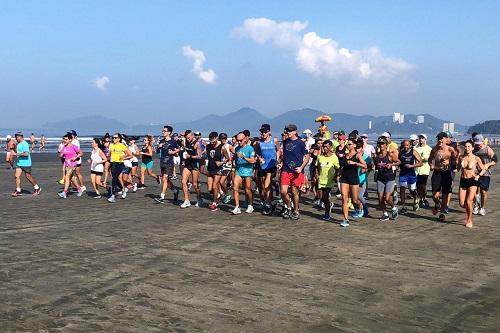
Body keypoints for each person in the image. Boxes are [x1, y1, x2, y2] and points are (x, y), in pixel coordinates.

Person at [278, 124, 310, 220]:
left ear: (295, 132)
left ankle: (296, 210)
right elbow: (284, 155)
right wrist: (280, 163)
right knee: (283, 191)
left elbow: (307, 156)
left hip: (297, 171)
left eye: (290, 131)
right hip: (285, 170)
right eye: (287, 131)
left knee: (294, 192)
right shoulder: (285, 142)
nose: (288, 132)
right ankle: (288, 207)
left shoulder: (300, 142)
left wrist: (301, 167)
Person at [428, 132, 458, 222]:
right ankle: (437, 204)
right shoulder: (434, 149)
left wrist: (449, 162)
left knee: (445, 194)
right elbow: (429, 160)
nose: (440, 140)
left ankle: (442, 213)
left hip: (446, 173)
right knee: (435, 195)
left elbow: (455, 161)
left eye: (442, 138)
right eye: (438, 138)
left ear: (446, 139)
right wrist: (431, 165)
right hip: (437, 173)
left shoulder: (450, 149)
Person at [338, 138, 367, 227]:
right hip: (344, 178)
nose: (348, 145)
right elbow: (341, 166)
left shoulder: (357, 155)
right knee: (344, 198)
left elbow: (365, 165)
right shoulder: (345, 155)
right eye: (347, 144)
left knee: (354, 199)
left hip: (353, 178)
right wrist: (338, 174)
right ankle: (345, 219)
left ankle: (360, 206)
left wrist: (355, 163)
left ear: (354, 145)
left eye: (350, 144)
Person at [458, 140, 485, 228]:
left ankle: (469, 220)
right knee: (462, 203)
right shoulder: (461, 157)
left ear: (473, 148)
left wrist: (478, 175)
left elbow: (483, 169)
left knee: (468, 201)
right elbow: (458, 167)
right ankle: (473, 203)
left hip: (472, 181)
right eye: (465, 146)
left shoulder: (476, 158)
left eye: (469, 146)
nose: (467, 148)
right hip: (463, 180)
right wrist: (454, 168)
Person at [374, 137, 400, 221]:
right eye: (380, 144)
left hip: (389, 178)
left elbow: (399, 162)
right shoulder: (377, 155)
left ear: (386, 145)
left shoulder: (390, 154)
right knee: (380, 198)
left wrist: (391, 165)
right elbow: (375, 165)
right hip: (380, 178)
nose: (381, 145)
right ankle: (385, 214)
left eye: (383, 144)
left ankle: (394, 207)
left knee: (387, 197)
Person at [472, 134, 497, 216]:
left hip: (485, 174)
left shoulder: (487, 149)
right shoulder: (474, 149)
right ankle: (476, 205)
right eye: (476, 143)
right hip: (475, 173)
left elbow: (495, 160)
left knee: (483, 192)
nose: (478, 145)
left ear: (483, 141)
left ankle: (482, 208)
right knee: (475, 192)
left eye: (479, 143)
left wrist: (488, 164)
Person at [231, 132, 256, 214]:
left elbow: (252, 161)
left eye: (240, 140)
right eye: (237, 140)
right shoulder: (237, 148)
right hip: (238, 171)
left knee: (247, 189)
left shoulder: (250, 148)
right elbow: (235, 159)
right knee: (235, 187)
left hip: (248, 171)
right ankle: (237, 206)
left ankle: (250, 205)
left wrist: (244, 157)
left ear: (245, 139)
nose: (238, 142)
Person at [257, 124, 279, 215]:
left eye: (265, 132)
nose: (263, 133)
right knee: (265, 187)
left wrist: (277, 159)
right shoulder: (259, 142)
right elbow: (257, 153)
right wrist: (259, 158)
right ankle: (272, 202)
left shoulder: (274, 140)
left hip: (272, 166)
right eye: (261, 132)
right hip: (263, 166)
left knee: (266, 186)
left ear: (269, 132)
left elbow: (278, 150)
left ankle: (268, 204)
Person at [11, 132, 42, 197]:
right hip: (19, 163)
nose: (16, 139)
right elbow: (18, 152)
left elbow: (26, 154)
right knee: (17, 176)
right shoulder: (18, 144)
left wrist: (16, 154)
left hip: (26, 163)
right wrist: (14, 147)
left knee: (28, 176)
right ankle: (18, 190)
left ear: (20, 137)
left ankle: (37, 188)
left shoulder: (24, 144)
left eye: (17, 137)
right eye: (15, 137)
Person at [315, 140, 340, 221]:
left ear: (330, 147)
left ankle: (327, 213)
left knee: (325, 197)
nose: (325, 148)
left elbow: (338, 168)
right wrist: (316, 174)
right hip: (320, 179)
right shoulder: (320, 156)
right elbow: (317, 166)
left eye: (326, 147)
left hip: (329, 180)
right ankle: (329, 204)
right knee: (320, 197)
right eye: (324, 147)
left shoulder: (334, 157)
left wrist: (336, 176)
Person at [155, 126, 180, 204]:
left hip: (169, 163)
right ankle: (175, 191)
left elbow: (179, 149)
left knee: (164, 179)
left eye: (164, 131)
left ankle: (162, 196)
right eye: (163, 131)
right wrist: (158, 147)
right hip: (162, 162)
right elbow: (157, 152)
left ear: (169, 132)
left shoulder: (173, 141)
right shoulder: (161, 141)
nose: (163, 132)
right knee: (167, 181)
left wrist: (173, 152)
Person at [398, 139, 423, 213]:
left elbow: (421, 163)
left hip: (411, 174)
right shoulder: (401, 152)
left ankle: (416, 198)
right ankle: (404, 207)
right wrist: (397, 167)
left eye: (407, 145)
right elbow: (398, 161)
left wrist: (412, 166)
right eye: (404, 145)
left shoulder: (414, 152)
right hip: (403, 174)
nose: (405, 147)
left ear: (410, 145)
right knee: (402, 190)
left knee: (412, 190)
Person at [206, 132, 228, 211]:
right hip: (210, 169)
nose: (212, 143)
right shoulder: (208, 146)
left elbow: (227, 157)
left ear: (217, 139)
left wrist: (221, 163)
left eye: (214, 141)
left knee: (215, 186)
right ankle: (218, 195)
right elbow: (207, 157)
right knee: (209, 189)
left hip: (218, 169)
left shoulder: (221, 147)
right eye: (211, 141)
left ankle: (214, 203)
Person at [179, 130, 202, 208]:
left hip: (195, 165)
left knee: (195, 184)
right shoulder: (186, 141)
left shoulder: (197, 144)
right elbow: (181, 140)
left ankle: (199, 198)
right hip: (187, 165)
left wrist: (190, 156)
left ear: (192, 136)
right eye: (186, 138)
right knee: (183, 182)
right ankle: (186, 200)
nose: (187, 139)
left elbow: (199, 156)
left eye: (188, 138)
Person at [107, 133, 132, 203]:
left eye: (115, 138)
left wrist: (123, 157)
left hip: (119, 164)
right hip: (113, 163)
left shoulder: (122, 145)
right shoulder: (111, 145)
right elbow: (109, 154)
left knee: (114, 179)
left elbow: (130, 155)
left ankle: (113, 195)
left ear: (119, 139)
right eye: (113, 137)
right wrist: (108, 154)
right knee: (117, 179)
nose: (113, 139)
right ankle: (123, 189)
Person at [58, 133, 84, 198]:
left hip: (73, 164)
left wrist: (75, 157)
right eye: (64, 139)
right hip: (66, 164)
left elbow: (81, 153)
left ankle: (64, 192)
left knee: (67, 177)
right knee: (72, 178)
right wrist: (60, 154)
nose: (64, 141)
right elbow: (61, 155)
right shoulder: (64, 147)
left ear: (70, 140)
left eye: (66, 139)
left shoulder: (74, 146)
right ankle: (79, 189)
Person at [414, 134, 432, 208]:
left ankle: (424, 198)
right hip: (416, 169)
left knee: (423, 185)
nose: (421, 139)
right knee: (418, 185)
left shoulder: (429, 148)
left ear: (426, 139)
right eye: (420, 138)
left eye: (423, 138)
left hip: (425, 169)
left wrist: (431, 164)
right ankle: (420, 198)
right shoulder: (415, 148)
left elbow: (431, 158)